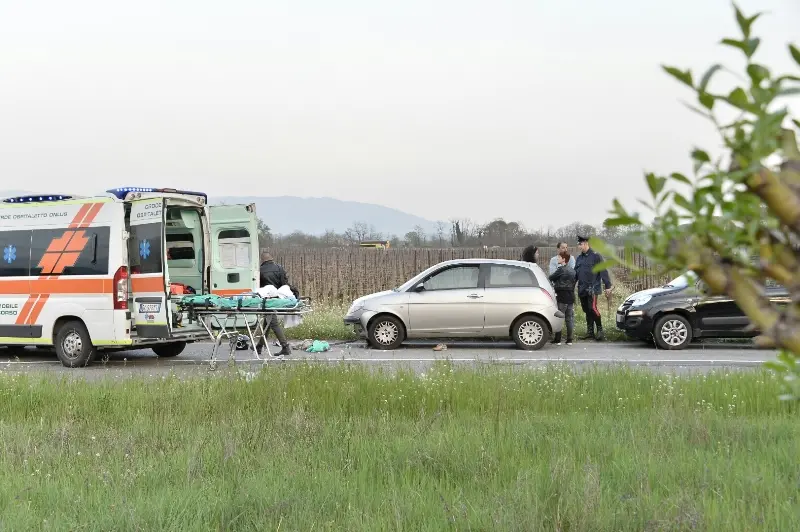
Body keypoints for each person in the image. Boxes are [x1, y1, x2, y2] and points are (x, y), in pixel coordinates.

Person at [574, 235, 613, 341]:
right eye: (579, 244)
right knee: (587, 310)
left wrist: (607, 286)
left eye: (580, 244)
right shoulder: (579, 258)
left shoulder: (596, 256)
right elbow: (576, 274)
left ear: (586, 244)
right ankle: (590, 332)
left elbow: (603, 271)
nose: (579, 246)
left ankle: (600, 330)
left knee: (593, 308)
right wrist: (572, 285)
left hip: (592, 288)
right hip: (582, 288)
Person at [256, 252, 292, 356]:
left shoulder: (260, 271)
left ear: (262, 260)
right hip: (278, 298)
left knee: (273, 323)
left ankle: (285, 346)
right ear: (271, 258)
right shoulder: (279, 268)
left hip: (267, 300)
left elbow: (259, 288)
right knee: (267, 323)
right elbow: (284, 284)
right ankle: (259, 346)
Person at [548, 251, 576, 345]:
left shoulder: (560, 270)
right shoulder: (573, 270)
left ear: (564, 259)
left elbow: (551, 277)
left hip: (562, 295)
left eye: (559, 258)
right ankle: (569, 339)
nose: (557, 259)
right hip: (571, 296)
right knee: (569, 318)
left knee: (559, 317)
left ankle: (558, 339)